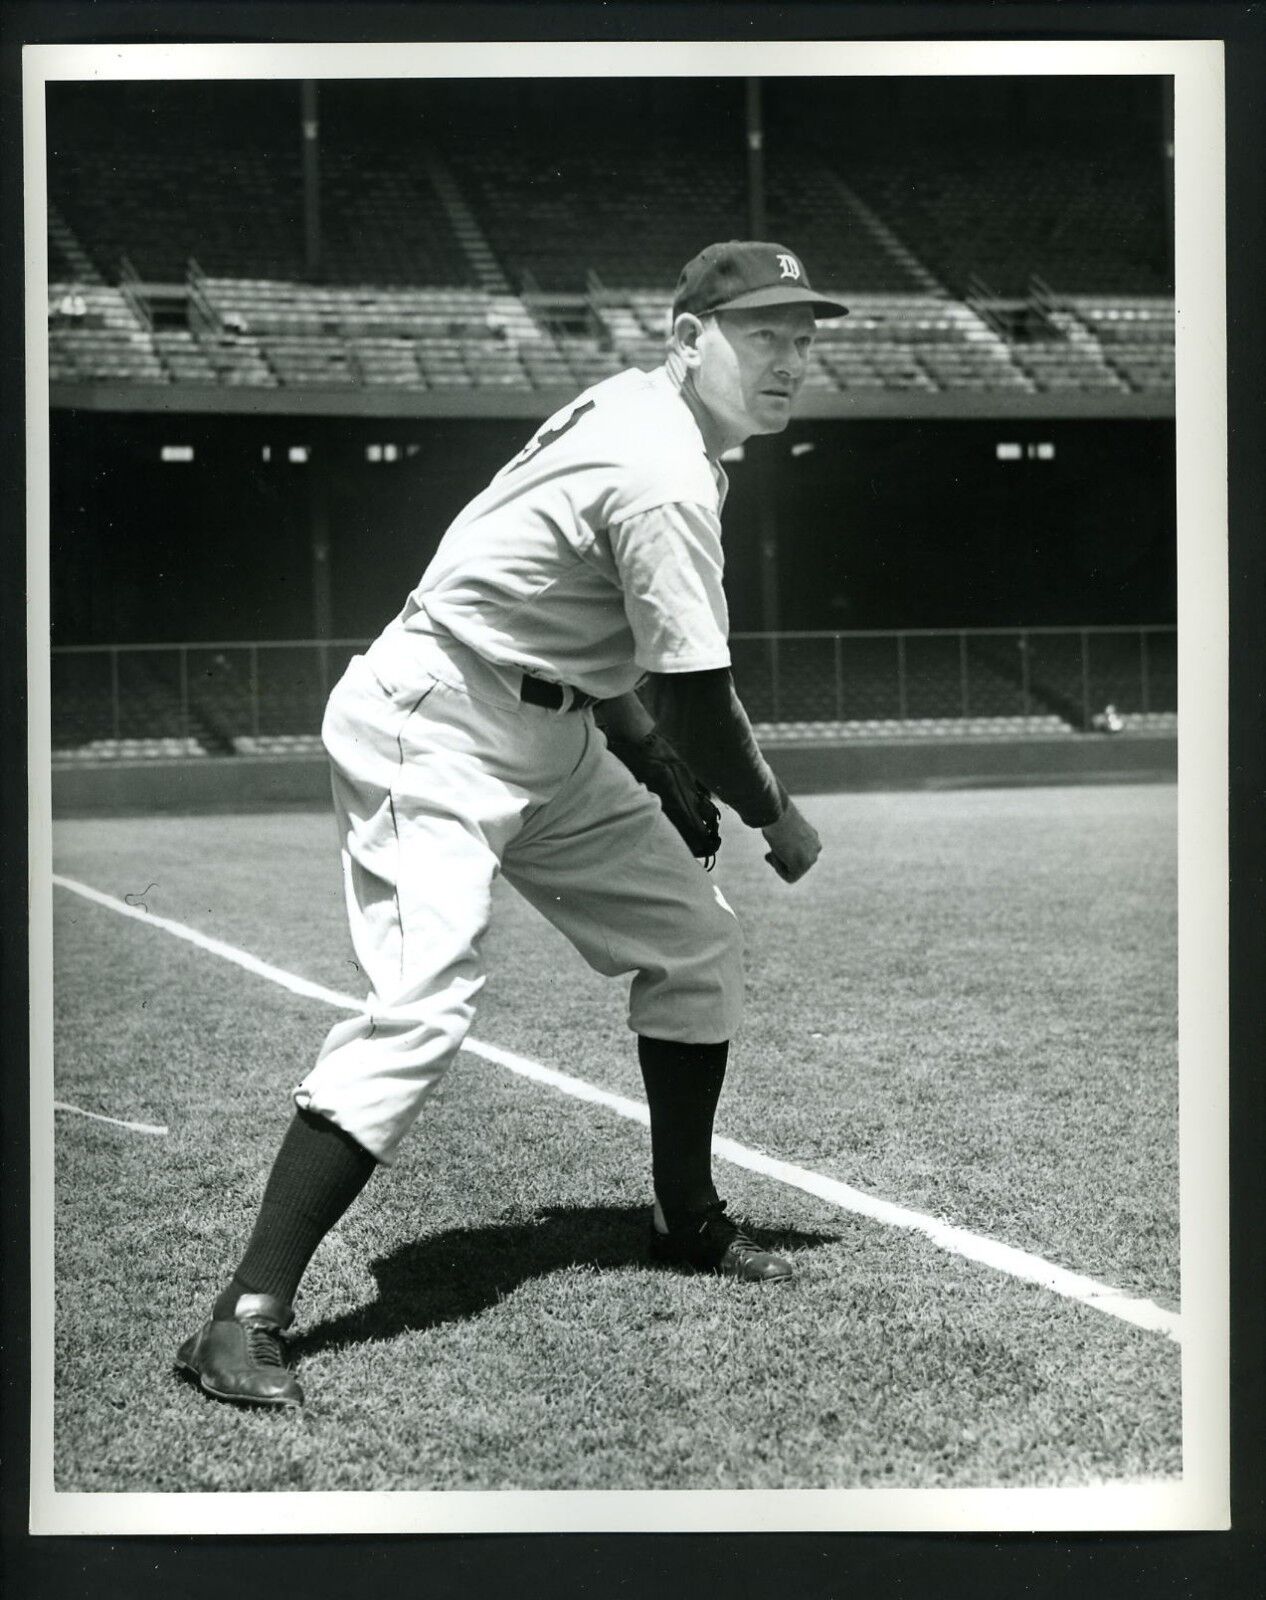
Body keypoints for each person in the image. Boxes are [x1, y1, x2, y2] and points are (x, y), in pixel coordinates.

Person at [176, 240, 845, 1408]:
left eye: (803, 335)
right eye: (764, 334)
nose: (792, 357)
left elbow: (576, 620)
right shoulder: (665, 468)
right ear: (689, 340)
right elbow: (699, 694)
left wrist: (643, 759)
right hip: (433, 716)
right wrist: (773, 814)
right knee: (428, 996)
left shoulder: (653, 416)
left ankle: (684, 1220)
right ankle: (241, 1316)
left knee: (695, 937)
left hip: (551, 727)